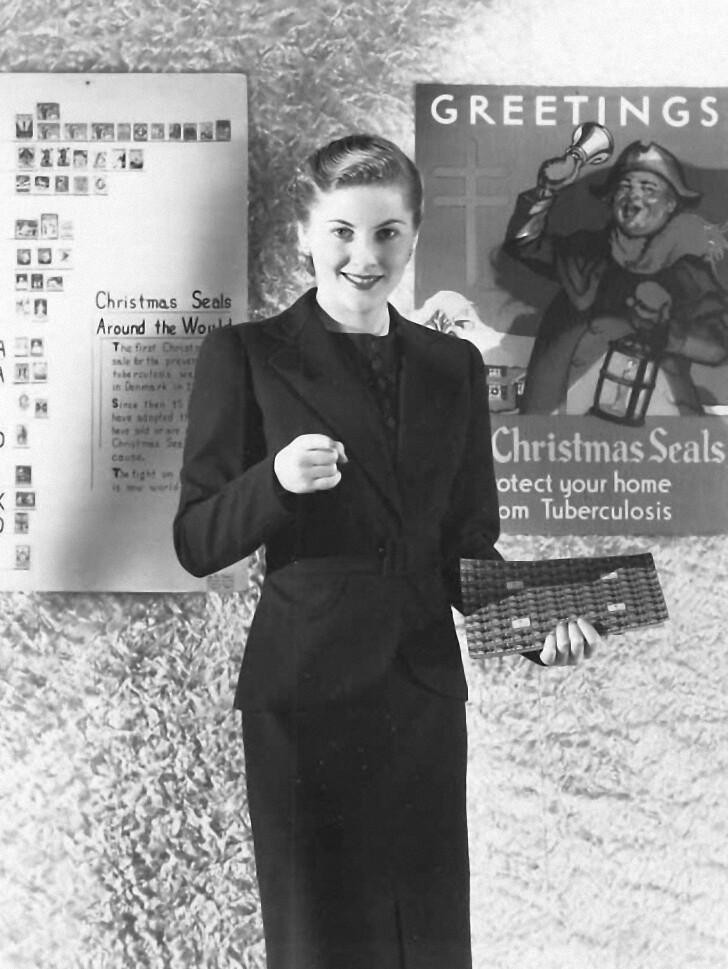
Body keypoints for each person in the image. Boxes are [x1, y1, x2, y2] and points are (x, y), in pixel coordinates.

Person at [174, 133, 600, 969]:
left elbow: (466, 547)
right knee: (320, 943)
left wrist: (538, 627)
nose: (365, 256)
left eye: (387, 233)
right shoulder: (247, 355)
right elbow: (195, 541)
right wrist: (275, 481)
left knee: (427, 943)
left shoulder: (452, 366)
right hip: (305, 695)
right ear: (304, 235)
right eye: (342, 231)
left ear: (413, 235)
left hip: (420, 691)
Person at [504, 140, 728, 416]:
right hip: (561, 419)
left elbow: (718, 346)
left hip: (653, 423)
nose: (634, 197)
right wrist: (546, 190)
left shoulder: (688, 273)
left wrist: (665, 331)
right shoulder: (583, 252)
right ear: (611, 198)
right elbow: (524, 242)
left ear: (671, 204)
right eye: (625, 186)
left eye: (649, 189)